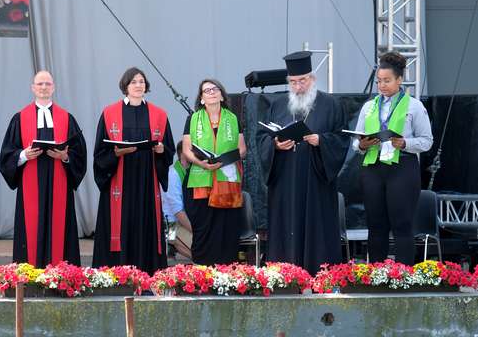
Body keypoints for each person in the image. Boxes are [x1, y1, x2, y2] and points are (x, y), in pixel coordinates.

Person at [256, 51, 350, 274]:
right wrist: (276, 145)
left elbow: (341, 139)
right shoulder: (278, 105)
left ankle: (320, 276)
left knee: (317, 229)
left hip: (316, 181)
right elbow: (261, 137)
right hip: (285, 182)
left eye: (303, 80)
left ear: (313, 79)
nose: (298, 86)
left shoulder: (331, 104)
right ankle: (286, 278)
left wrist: (321, 141)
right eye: (293, 82)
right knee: (286, 227)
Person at [0, 70, 87, 268]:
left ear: (54, 87)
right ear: (33, 88)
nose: (44, 87)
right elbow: (6, 155)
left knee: (60, 229)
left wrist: (65, 156)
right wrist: (23, 155)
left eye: (47, 84)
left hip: (60, 186)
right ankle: (29, 277)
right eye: (40, 84)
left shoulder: (67, 118)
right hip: (30, 186)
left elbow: (79, 155)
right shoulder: (19, 119)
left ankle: (62, 276)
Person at [92, 67, 174, 275]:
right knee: (119, 225)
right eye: (134, 82)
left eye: (142, 81)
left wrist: (161, 150)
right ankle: (115, 275)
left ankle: (147, 274)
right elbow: (100, 152)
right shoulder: (110, 113)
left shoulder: (159, 115)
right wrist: (117, 153)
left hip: (146, 181)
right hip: (119, 181)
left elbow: (169, 149)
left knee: (146, 226)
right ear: (125, 86)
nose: (139, 85)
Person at [353, 51, 433, 265]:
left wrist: (405, 143)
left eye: (387, 80)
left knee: (402, 223)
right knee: (376, 224)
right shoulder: (369, 107)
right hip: (373, 167)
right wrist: (362, 144)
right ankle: (376, 273)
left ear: (399, 80)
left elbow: (427, 141)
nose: (382, 85)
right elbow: (355, 141)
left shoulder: (415, 106)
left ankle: (403, 275)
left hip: (402, 168)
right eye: (379, 81)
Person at [182, 79, 246, 265]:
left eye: (215, 89)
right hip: (201, 182)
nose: (211, 92)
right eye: (206, 90)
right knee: (204, 230)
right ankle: (202, 273)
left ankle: (226, 276)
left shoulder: (232, 118)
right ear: (201, 98)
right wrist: (202, 163)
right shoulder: (193, 119)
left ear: (221, 94)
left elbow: (242, 149)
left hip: (227, 180)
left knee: (226, 230)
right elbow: (187, 150)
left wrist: (228, 158)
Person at [161, 141, 193, 260]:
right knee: (202, 250)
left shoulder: (190, 172)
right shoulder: (172, 175)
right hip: (171, 225)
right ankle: (171, 244)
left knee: (206, 247)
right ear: (183, 154)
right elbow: (178, 212)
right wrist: (196, 232)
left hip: (185, 222)